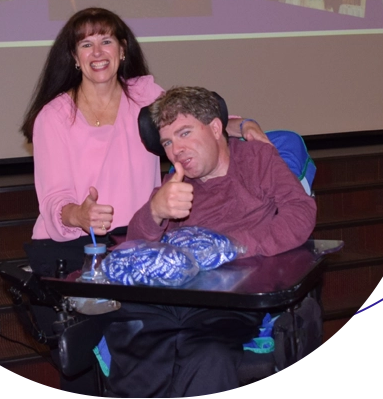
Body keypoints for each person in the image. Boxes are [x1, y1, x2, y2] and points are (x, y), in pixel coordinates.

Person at [102, 86, 317, 399]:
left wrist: (235, 245)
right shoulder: (176, 183)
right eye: (168, 142)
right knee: (136, 344)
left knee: (207, 355)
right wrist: (154, 211)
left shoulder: (256, 159)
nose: (176, 150)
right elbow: (138, 246)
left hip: (227, 298)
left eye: (185, 133)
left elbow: (300, 212)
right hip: (169, 298)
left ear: (216, 128)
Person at [21, 9, 267, 246]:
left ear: (122, 50)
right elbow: (54, 199)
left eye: (106, 41)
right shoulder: (53, 117)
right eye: (86, 45)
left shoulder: (145, 95)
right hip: (78, 246)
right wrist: (79, 216)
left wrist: (242, 124)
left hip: (141, 238)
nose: (97, 53)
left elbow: (195, 122)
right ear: (75, 57)